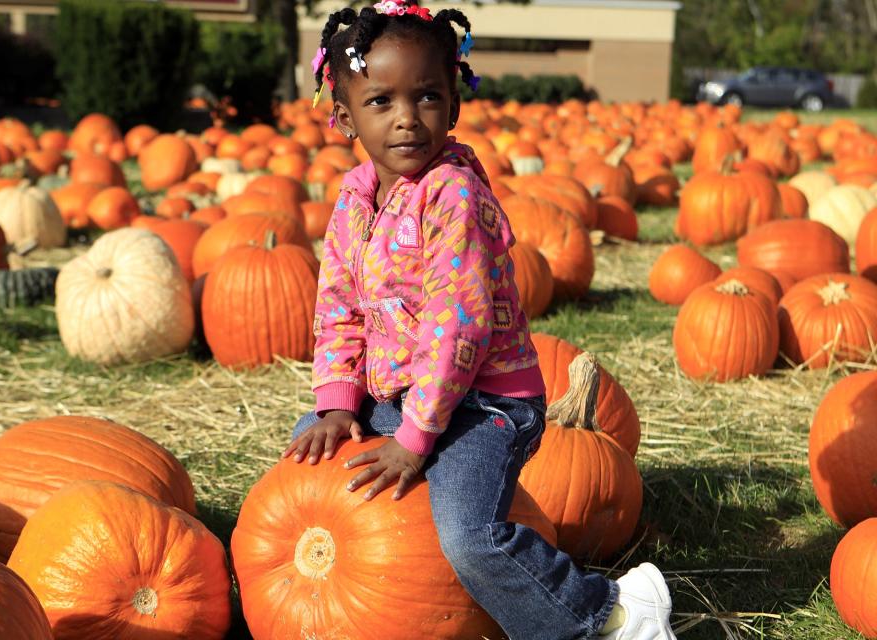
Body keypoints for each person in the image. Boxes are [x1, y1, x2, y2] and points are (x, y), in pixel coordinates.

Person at [283, 2, 678, 638]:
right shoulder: (354, 201)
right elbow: (338, 308)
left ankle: (611, 614)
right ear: (344, 116)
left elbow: (455, 331)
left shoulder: (456, 197)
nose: (407, 118)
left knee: (471, 538)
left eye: (427, 97)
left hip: (483, 406)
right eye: (381, 102)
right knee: (313, 438)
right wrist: (336, 402)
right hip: (402, 395)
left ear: (454, 105)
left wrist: (414, 443)